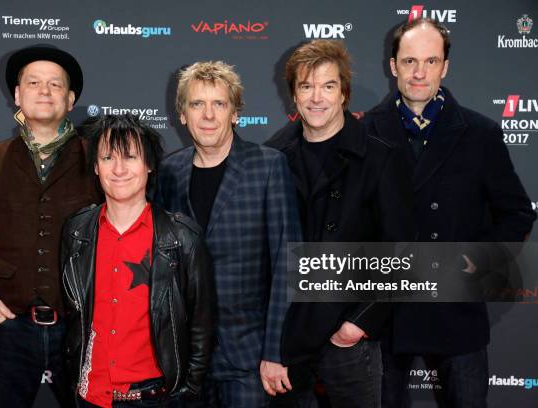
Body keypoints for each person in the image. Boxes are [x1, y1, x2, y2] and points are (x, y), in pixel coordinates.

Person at [363, 18, 536, 407]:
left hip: (456, 310)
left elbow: (517, 213)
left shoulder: (481, 133)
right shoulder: (366, 130)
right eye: (409, 61)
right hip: (386, 313)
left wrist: (478, 257)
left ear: (445, 66)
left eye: (430, 61)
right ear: (393, 66)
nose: (419, 72)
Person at [265, 39, 414, 408]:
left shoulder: (380, 157)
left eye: (328, 86)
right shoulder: (273, 158)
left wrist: (359, 324)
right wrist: (271, 344)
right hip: (291, 341)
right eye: (306, 86)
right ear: (293, 97)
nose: (317, 97)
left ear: (344, 94)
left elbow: (404, 249)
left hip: (349, 341)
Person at [0, 45, 101, 407]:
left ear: (70, 98)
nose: (44, 90)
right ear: (17, 95)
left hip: (84, 330)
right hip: (8, 329)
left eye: (54, 84)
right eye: (33, 82)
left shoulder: (99, 156)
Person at [157, 61, 302, 407]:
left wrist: (276, 351)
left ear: (235, 113)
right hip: (185, 358)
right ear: (182, 115)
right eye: (197, 104)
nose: (208, 115)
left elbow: (288, 263)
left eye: (219, 104)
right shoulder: (168, 172)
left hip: (249, 356)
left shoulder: (268, 166)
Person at [61, 114, 214, 408]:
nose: (118, 169)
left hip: (157, 399)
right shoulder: (77, 231)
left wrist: (187, 389)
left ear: (149, 165)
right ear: (95, 166)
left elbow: (201, 326)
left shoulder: (182, 238)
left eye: (130, 157)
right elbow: (74, 316)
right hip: (91, 397)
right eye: (107, 157)